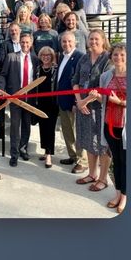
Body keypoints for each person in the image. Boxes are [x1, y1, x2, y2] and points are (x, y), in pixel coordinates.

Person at [74, 30, 111, 192]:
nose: (93, 42)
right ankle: (92, 174)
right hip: (83, 107)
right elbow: (75, 81)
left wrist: (85, 101)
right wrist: (79, 102)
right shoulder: (83, 57)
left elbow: (104, 87)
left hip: (99, 107)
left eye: (96, 39)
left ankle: (103, 179)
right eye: (91, 39)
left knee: (102, 144)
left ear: (103, 41)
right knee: (89, 141)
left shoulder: (107, 59)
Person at [0, 32, 37, 167]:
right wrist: (3, 91)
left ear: (31, 43)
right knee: (15, 127)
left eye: (27, 42)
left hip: (29, 98)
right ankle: (14, 154)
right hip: (15, 98)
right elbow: (3, 75)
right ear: (19, 43)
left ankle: (23, 149)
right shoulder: (11, 57)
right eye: (23, 42)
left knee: (26, 125)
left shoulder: (35, 59)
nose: (25, 45)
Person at [98, 42, 127, 214]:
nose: (119, 57)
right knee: (116, 161)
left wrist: (120, 102)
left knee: (126, 162)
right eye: (115, 54)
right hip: (109, 125)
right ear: (111, 57)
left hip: (125, 127)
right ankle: (117, 193)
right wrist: (96, 96)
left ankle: (125, 196)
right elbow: (103, 100)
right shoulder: (106, 76)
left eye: (122, 54)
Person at [55, 32, 87, 172]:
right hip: (62, 101)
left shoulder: (80, 57)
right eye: (64, 41)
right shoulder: (62, 56)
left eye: (69, 41)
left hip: (73, 102)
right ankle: (73, 156)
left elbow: (81, 81)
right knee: (67, 131)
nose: (66, 44)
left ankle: (82, 161)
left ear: (75, 42)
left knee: (76, 132)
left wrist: (76, 102)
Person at [33, 45, 60, 169]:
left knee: (50, 129)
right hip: (40, 103)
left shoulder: (56, 69)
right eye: (43, 55)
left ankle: (49, 154)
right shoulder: (38, 69)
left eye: (48, 55)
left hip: (52, 104)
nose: (46, 57)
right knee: (42, 128)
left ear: (52, 56)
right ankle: (45, 151)